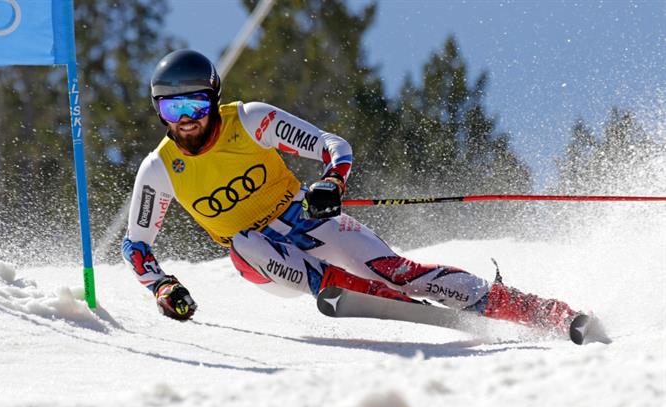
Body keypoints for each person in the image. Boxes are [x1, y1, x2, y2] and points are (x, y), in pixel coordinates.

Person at [121, 49, 591, 340]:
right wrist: (162, 285)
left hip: (305, 216)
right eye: (172, 106)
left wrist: (331, 182)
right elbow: (137, 246)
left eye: (196, 103)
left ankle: (543, 312)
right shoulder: (160, 169)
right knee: (247, 242)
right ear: (159, 110)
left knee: (398, 272)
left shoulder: (250, 119)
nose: (186, 118)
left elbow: (332, 145)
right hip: (261, 257)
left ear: (213, 96)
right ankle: (337, 287)